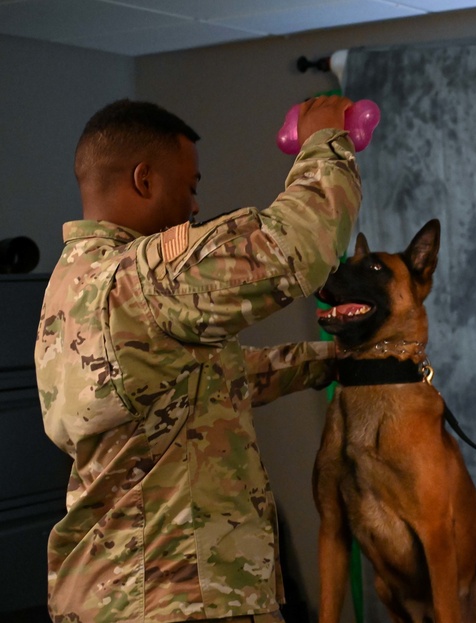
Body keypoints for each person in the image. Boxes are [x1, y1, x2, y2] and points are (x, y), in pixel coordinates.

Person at [34, 96, 362, 623]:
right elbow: (298, 247)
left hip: (113, 595)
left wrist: (334, 359)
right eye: (190, 187)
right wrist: (324, 141)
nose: (193, 206)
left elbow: (204, 383)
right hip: (176, 595)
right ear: (144, 179)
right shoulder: (142, 279)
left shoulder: (71, 288)